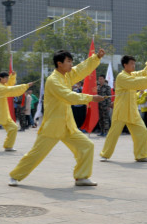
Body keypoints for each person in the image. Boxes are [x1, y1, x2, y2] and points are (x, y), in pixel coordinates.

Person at [9, 49, 105, 187]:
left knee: (87, 146)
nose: (71, 64)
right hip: (53, 126)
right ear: (59, 63)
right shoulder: (53, 80)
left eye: (71, 61)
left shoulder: (68, 75)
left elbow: (82, 68)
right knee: (36, 154)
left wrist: (96, 58)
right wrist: (91, 98)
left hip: (67, 125)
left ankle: (81, 177)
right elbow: (68, 96)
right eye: (68, 61)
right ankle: (15, 175)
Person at [100, 53, 147, 162]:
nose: (134, 66)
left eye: (134, 64)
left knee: (142, 131)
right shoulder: (122, 77)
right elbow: (136, 83)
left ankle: (141, 155)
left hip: (132, 110)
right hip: (121, 110)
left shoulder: (132, 75)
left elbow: (144, 73)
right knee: (114, 133)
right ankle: (105, 154)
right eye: (132, 64)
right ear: (125, 65)